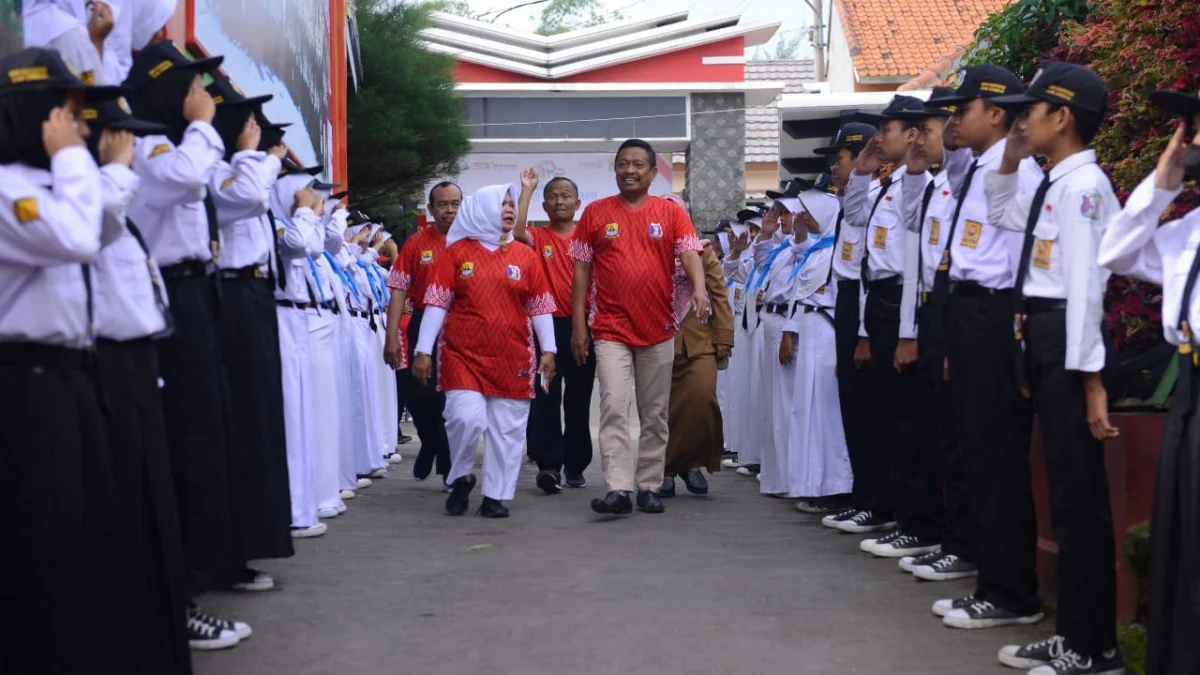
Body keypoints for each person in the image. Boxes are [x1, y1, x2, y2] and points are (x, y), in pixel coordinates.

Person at [980, 60, 1123, 675]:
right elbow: (1003, 215)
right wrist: (1011, 156)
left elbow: (1089, 289)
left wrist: (1091, 381)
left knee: (1078, 500)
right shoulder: (1052, 182)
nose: (1021, 120)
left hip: (1067, 340)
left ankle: (1094, 647)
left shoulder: (1084, 188)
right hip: (1043, 335)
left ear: (1061, 116)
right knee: (1063, 493)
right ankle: (1074, 634)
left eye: (1030, 111)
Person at [0, 46, 127, 675]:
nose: (81, 128)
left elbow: (100, 231)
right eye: (68, 114)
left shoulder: (51, 183)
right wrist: (76, 160)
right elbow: (76, 238)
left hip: (69, 375)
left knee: (83, 526)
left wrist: (96, 168)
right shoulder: (7, 190)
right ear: (34, 114)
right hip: (25, 381)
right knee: (42, 533)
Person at [123, 40, 256, 641]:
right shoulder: (152, 141)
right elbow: (178, 182)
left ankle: (203, 572)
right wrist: (206, 129)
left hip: (194, 291)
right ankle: (185, 590)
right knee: (185, 442)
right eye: (190, 87)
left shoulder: (174, 141)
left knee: (206, 437)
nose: (201, 97)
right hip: (168, 295)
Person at [925, 65, 1047, 630]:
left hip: (996, 314)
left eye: (963, 108)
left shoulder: (1018, 174)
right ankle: (992, 582)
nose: (954, 119)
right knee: (976, 454)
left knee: (997, 458)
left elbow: (1019, 260)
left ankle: (1013, 594)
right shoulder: (978, 170)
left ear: (996, 113)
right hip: (969, 312)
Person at [83, 90, 198, 666]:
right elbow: (80, 232)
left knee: (153, 503)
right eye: (120, 133)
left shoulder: (114, 198)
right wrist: (108, 171)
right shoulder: (91, 192)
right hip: (99, 364)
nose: (130, 144)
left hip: (136, 359)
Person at [1099, 87, 1200, 675]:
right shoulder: (1187, 233)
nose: (1187, 141)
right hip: (1188, 396)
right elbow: (1115, 251)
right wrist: (1162, 182)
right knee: (1182, 552)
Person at [569, 138, 708, 516]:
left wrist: (699, 289)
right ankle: (617, 489)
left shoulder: (670, 213)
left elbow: (690, 251)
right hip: (609, 328)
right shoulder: (595, 214)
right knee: (613, 405)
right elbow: (581, 269)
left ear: (651, 172)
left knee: (654, 411)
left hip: (658, 328)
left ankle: (649, 485)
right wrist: (579, 324)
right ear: (615, 170)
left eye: (637, 165)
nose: (629, 170)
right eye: (622, 164)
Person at [412, 184, 557, 518]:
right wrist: (423, 350)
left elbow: (539, 306)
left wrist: (548, 349)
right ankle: (461, 474)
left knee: (507, 431)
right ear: (483, 209)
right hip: (463, 355)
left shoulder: (526, 256)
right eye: (503, 204)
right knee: (465, 417)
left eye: (512, 205)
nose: (509, 209)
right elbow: (436, 303)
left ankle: (495, 496)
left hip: (513, 356)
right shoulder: (456, 252)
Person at [206, 74, 295, 587]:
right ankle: (233, 554)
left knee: (260, 420)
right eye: (249, 122)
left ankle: (254, 541)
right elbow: (243, 200)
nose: (257, 133)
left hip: (254, 296)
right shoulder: (225, 171)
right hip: (232, 296)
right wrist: (258, 157)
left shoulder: (243, 169)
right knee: (242, 422)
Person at [840, 95, 926, 542]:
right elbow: (853, 215)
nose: (879, 137)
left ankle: (912, 521)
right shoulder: (887, 184)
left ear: (912, 134)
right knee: (887, 414)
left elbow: (914, 260)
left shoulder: (919, 183)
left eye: (887, 130)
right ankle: (894, 511)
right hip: (879, 302)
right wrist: (862, 171)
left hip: (899, 303)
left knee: (905, 418)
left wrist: (909, 330)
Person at [887, 87, 963, 571]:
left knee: (956, 440)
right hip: (932, 309)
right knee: (936, 434)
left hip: (960, 312)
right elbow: (914, 242)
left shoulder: (970, 184)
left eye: (929, 130)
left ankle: (956, 541)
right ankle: (943, 535)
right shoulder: (936, 186)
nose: (921, 139)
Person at [513, 170, 597, 492]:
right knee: (545, 397)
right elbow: (517, 230)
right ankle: (549, 465)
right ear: (545, 206)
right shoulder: (539, 237)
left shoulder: (587, 239)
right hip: (544, 327)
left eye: (565, 196)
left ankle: (576, 464)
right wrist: (527, 190)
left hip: (581, 327)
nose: (559, 201)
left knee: (578, 399)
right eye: (553, 196)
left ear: (577, 203)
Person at [810, 122, 875, 520]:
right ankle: (861, 496)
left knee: (869, 412)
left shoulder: (873, 201)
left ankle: (870, 499)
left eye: (841, 159)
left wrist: (864, 332)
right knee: (853, 410)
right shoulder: (848, 206)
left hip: (868, 308)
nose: (835, 167)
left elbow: (871, 268)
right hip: (848, 308)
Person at [781, 177, 854, 505]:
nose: (804, 218)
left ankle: (835, 486)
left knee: (827, 413)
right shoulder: (817, 251)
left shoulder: (834, 252)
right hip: (811, 334)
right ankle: (814, 484)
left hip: (826, 335)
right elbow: (800, 292)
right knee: (807, 411)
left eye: (809, 213)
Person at [386, 182, 459, 486]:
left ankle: (448, 463)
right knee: (418, 397)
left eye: (455, 203)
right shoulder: (417, 244)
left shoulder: (470, 241)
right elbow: (399, 290)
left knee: (451, 401)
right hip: (422, 325)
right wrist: (392, 337)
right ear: (430, 209)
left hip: (460, 327)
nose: (449, 210)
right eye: (442, 204)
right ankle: (431, 442)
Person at [270, 167, 327, 539]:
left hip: (298, 320)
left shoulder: (296, 225)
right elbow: (300, 245)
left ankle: (304, 504)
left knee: (304, 413)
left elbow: (317, 247)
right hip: (281, 316)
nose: (314, 200)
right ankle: (293, 509)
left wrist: (313, 215)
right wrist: (304, 213)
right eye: (306, 193)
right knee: (291, 414)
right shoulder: (279, 226)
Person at [660, 234, 733, 497]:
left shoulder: (703, 251)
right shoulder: (650, 249)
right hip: (658, 339)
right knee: (663, 410)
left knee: (702, 402)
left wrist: (724, 336)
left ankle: (691, 463)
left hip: (700, 340)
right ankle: (665, 470)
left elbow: (719, 293)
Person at [752, 182, 804, 498]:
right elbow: (761, 265)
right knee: (772, 402)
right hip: (769, 319)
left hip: (786, 320)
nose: (780, 217)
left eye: (785, 212)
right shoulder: (784, 247)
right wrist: (767, 235)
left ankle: (790, 477)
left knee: (786, 404)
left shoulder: (805, 245)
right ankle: (776, 476)